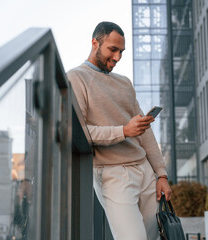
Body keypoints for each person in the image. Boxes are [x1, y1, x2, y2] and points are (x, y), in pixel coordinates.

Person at [67, 21, 172, 240]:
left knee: (152, 237)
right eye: (112, 50)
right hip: (112, 174)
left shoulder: (125, 83)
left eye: (121, 51)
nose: (117, 57)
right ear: (95, 42)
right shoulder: (76, 78)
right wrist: (123, 131)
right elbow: (79, 132)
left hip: (145, 172)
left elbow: (146, 132)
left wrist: (161, 174)